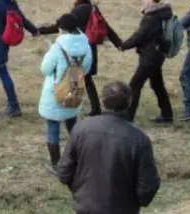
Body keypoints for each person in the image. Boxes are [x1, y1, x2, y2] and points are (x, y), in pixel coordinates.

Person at [55, 81, 161, 214]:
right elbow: (147, 187)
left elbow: (64, 172)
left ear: (101, 102)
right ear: (129, 103)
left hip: (86, 207)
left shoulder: (81, 129)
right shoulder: (139, 139)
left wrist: (81, 193)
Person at [39, 0, 121, 116]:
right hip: (88, 47)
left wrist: (41, 30)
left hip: (78, 48)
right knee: (84, 78)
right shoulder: (92, 7)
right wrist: (118, 43)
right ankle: (89, 106)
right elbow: (106, 26)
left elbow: (63, 25)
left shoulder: (79, 11)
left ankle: (81, 105)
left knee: (82, 78)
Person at [39, 13, 93, 171]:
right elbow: (87, 68)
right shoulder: (86, 44)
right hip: (75, 86)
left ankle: (57, 165)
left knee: (53, 125)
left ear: (62, 29)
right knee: (72, 124)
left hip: (56, 91)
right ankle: (79, 158)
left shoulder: (58, 47)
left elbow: (45, 69)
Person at [119, 0, 174, 124]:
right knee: (157, 85)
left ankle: (128, 116)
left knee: (134, 85)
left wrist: (123, 45)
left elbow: (140, 36)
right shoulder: (163, 14)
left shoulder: (150, 17)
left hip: (149, 56)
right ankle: (167, 114)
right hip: (158, 54)